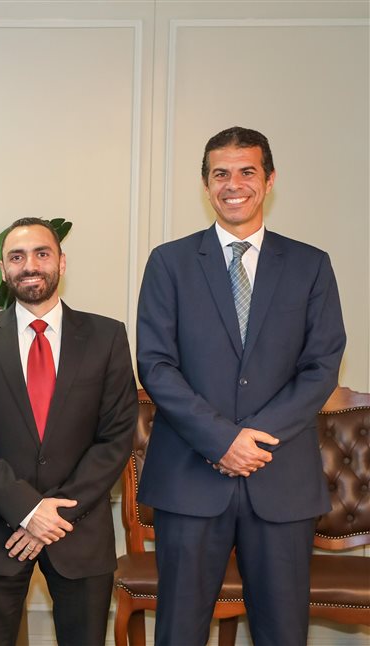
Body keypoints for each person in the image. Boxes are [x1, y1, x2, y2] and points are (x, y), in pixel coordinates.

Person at [136, 126, 346, 645]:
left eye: (247, 172)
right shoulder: (169, 263)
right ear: (206, 185)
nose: (234, 184)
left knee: (282, 633)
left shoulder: (310, 265)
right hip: (190, 478)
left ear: (269, 180)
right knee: (179, 633)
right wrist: (222, 440)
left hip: (280, 479)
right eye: (220, 174)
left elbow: (321, 366)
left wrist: (251, 441)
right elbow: (156, 365)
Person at [0, 217, 136, 644]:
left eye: (41, 254)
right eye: (17, 257)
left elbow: (115, 437)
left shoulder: (107, 336)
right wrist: (27, 510)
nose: (30, 265)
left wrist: (52, 514)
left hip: (79, 530)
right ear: (3, 270)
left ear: (61, 262)